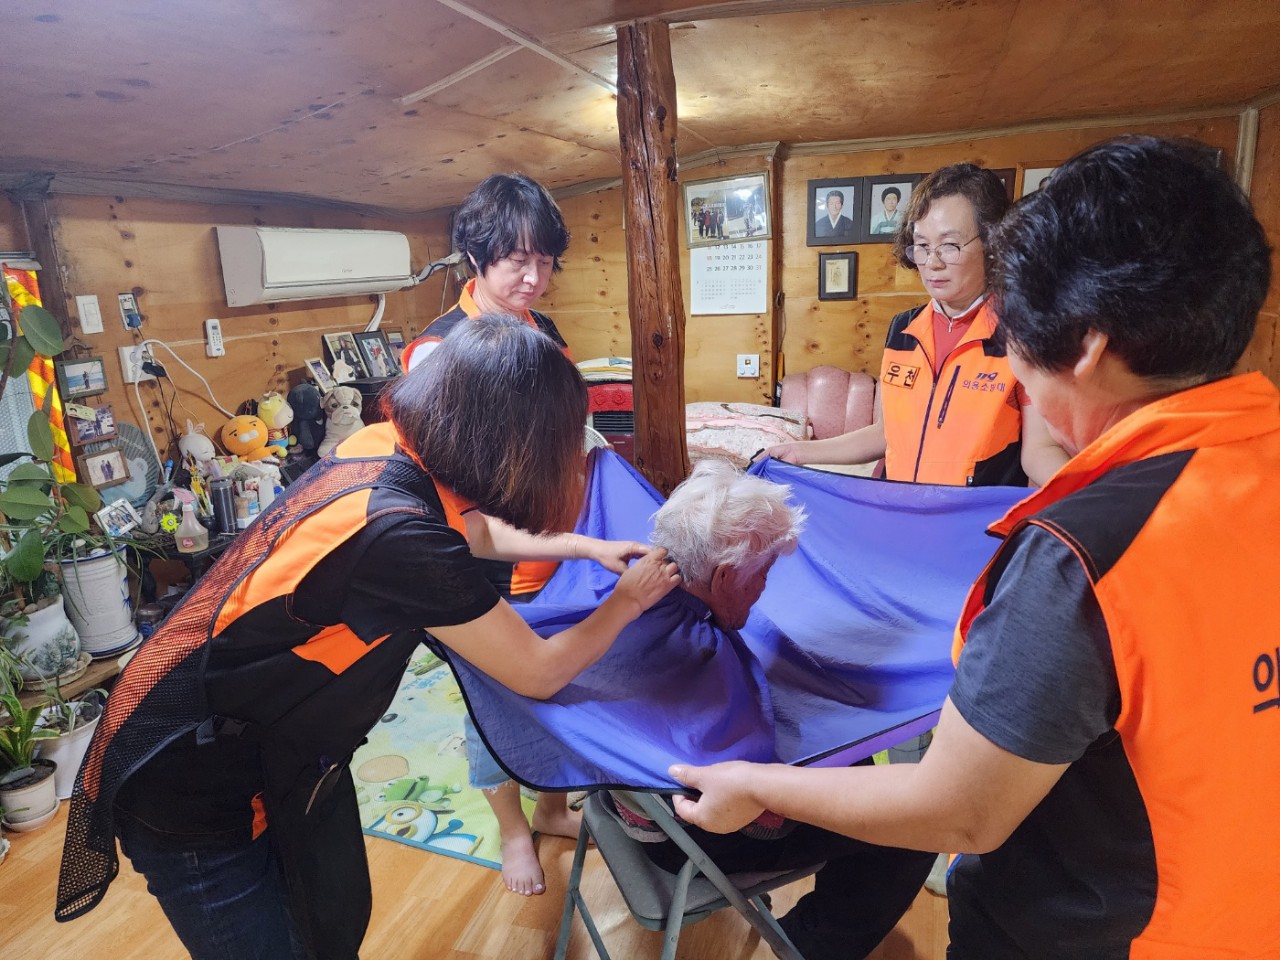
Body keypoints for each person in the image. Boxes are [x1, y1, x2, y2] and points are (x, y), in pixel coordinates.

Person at [668, 136, 1280, 958]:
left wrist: (752, 785)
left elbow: (962, 810)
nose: (1015, 367)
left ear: (1086, 345)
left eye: (1018, 335)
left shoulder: (1078, 558)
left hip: (1097, 934)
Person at [57, 316, 682, 960]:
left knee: (326, 925)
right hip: (193, 779)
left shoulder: (385, 446)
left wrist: (585, 547)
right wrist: (628, 601)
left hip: (278, 747)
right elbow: (539, 672)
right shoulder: (399, 537)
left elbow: (468, 530)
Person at [604, 459, 935, 960]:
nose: (764, 588)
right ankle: (808, 946)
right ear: (724, 575)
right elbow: (759, 817)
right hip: (687, 833)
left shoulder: (629, 602)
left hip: (626, 804)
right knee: (912, 825)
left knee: (860, 765)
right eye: (763, 572)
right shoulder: (699, 659)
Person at [400, 172, 585, 894]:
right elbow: (449, 494)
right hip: (480, 556)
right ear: (476, 258)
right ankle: (512, 829)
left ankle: (552, 806)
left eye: (545, 261)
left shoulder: (543, 333)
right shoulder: (439, 353)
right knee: (494, 701)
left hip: (549, 546)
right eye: (517, 261)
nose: (533, 278)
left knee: (557, 682)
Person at [765, 163, 1068, 487]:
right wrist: (799, 451)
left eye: (949, 245)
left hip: (975, 516)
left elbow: (1039, 451)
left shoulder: (1021, 333)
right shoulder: (903, 330)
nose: (932, 262)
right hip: (900, 509)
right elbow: (886, 433)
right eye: (922, 246)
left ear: (993, 243)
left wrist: (1089, 497)